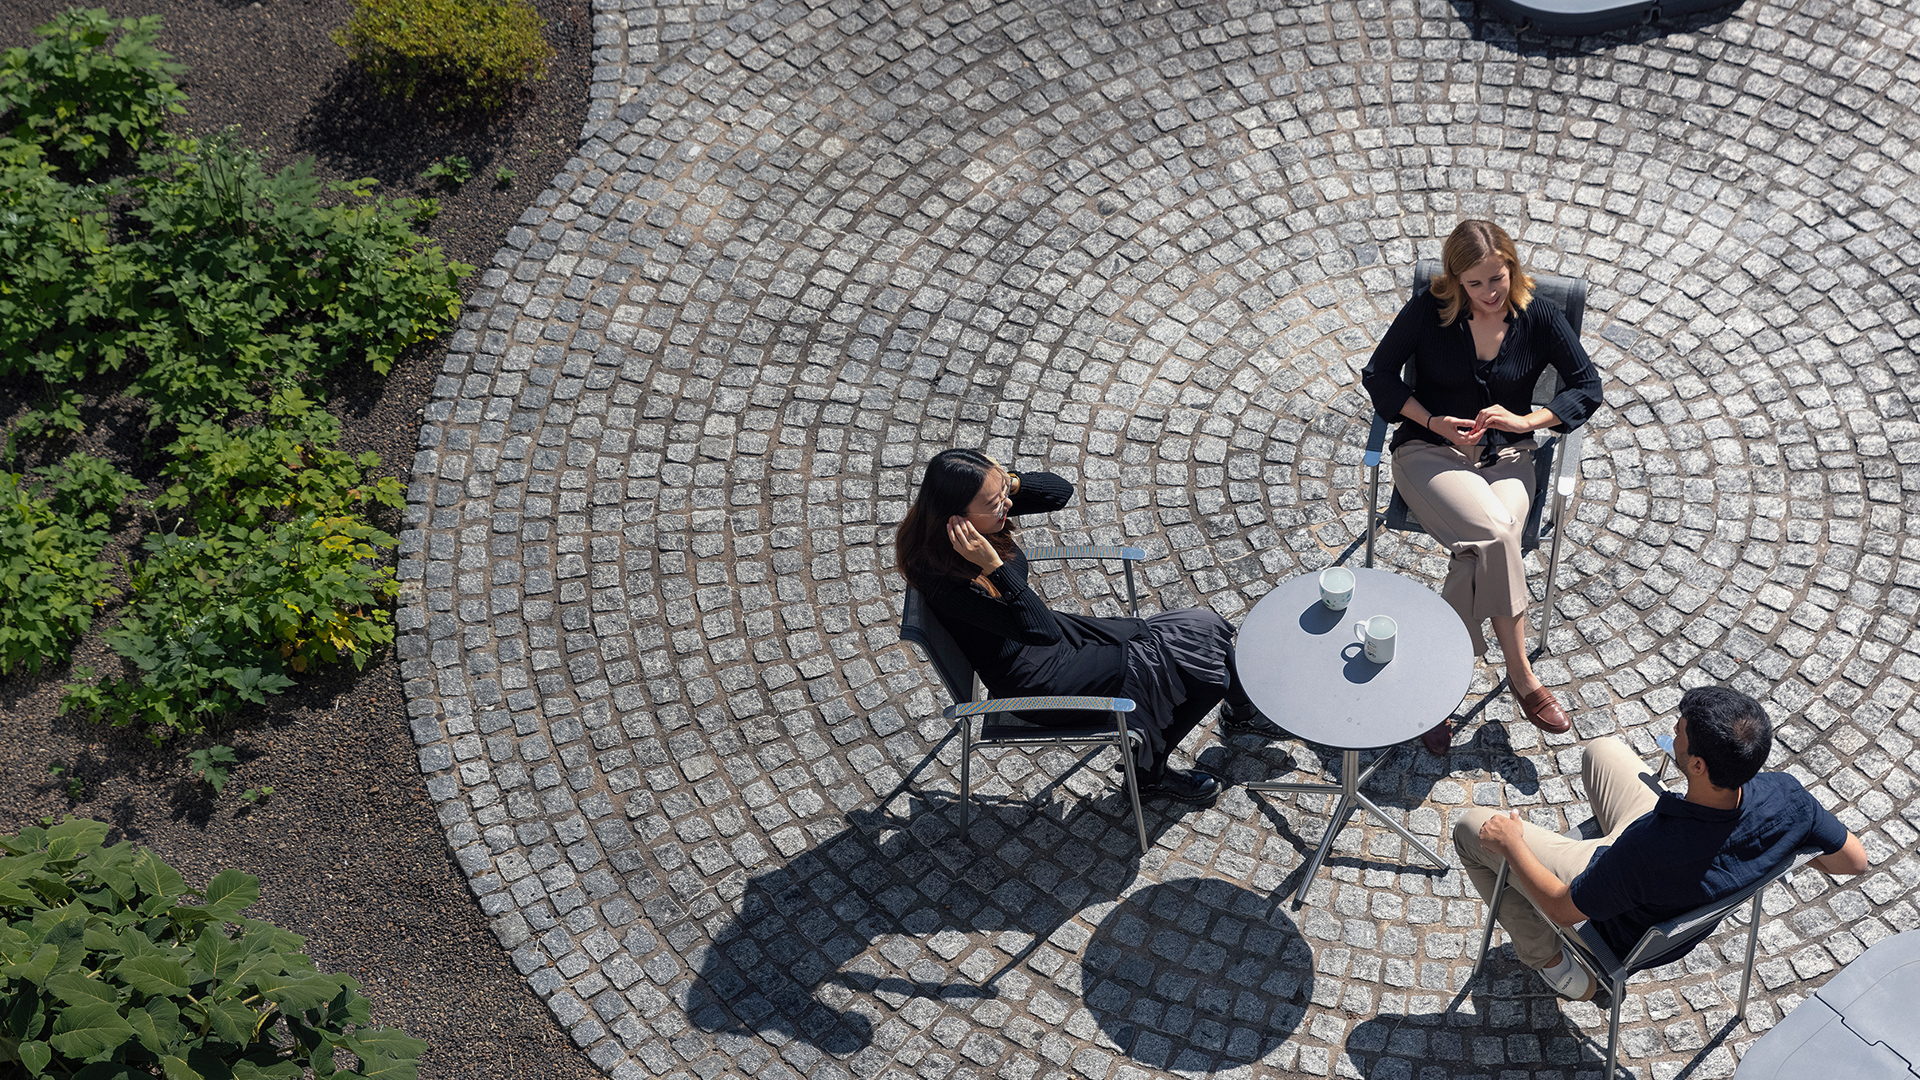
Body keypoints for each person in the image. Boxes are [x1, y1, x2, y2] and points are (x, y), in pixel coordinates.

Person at [897, 449, 1283, 808]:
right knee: (1207, 674)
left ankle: (1241, 712)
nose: (1008, 506)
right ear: (958, 518)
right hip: (1040, 680)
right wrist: (995, 567)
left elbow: (1059, 493)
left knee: (1204, 624)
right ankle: (1148, 775)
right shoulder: (950, 582)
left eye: (1003, 495)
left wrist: (1006, 481)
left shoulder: (975, 524)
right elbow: (1040, 631)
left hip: (1059, 639)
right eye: (994, 503)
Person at [1453, 685, 1868, 1000]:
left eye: (1680, 732)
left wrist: (1512, 844)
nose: (1674, 730)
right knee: (1602, 750)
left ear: (1700, 765)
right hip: (1679, 838)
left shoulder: (1647, 852)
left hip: (1612, 926)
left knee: (1475, 828)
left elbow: (1563, 908)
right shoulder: (1788, 795)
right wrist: (1779, 849)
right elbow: (1855, 861)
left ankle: (1555, 963)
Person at [1361, 220, 1603, 751]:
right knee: (1498, 534)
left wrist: (1529, 422)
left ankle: (1439, 684)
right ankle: (1523, 678)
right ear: (1455, 280)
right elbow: (1378, 374)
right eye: (1475, 283)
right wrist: (1433, 422)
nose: (1490, 293)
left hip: (1507, 456)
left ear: (1511, 268)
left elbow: (1588, 387)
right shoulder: (1429, 309)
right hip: (1429, 451)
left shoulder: (1537, 314)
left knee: (1482, 548)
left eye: (1498, 277)